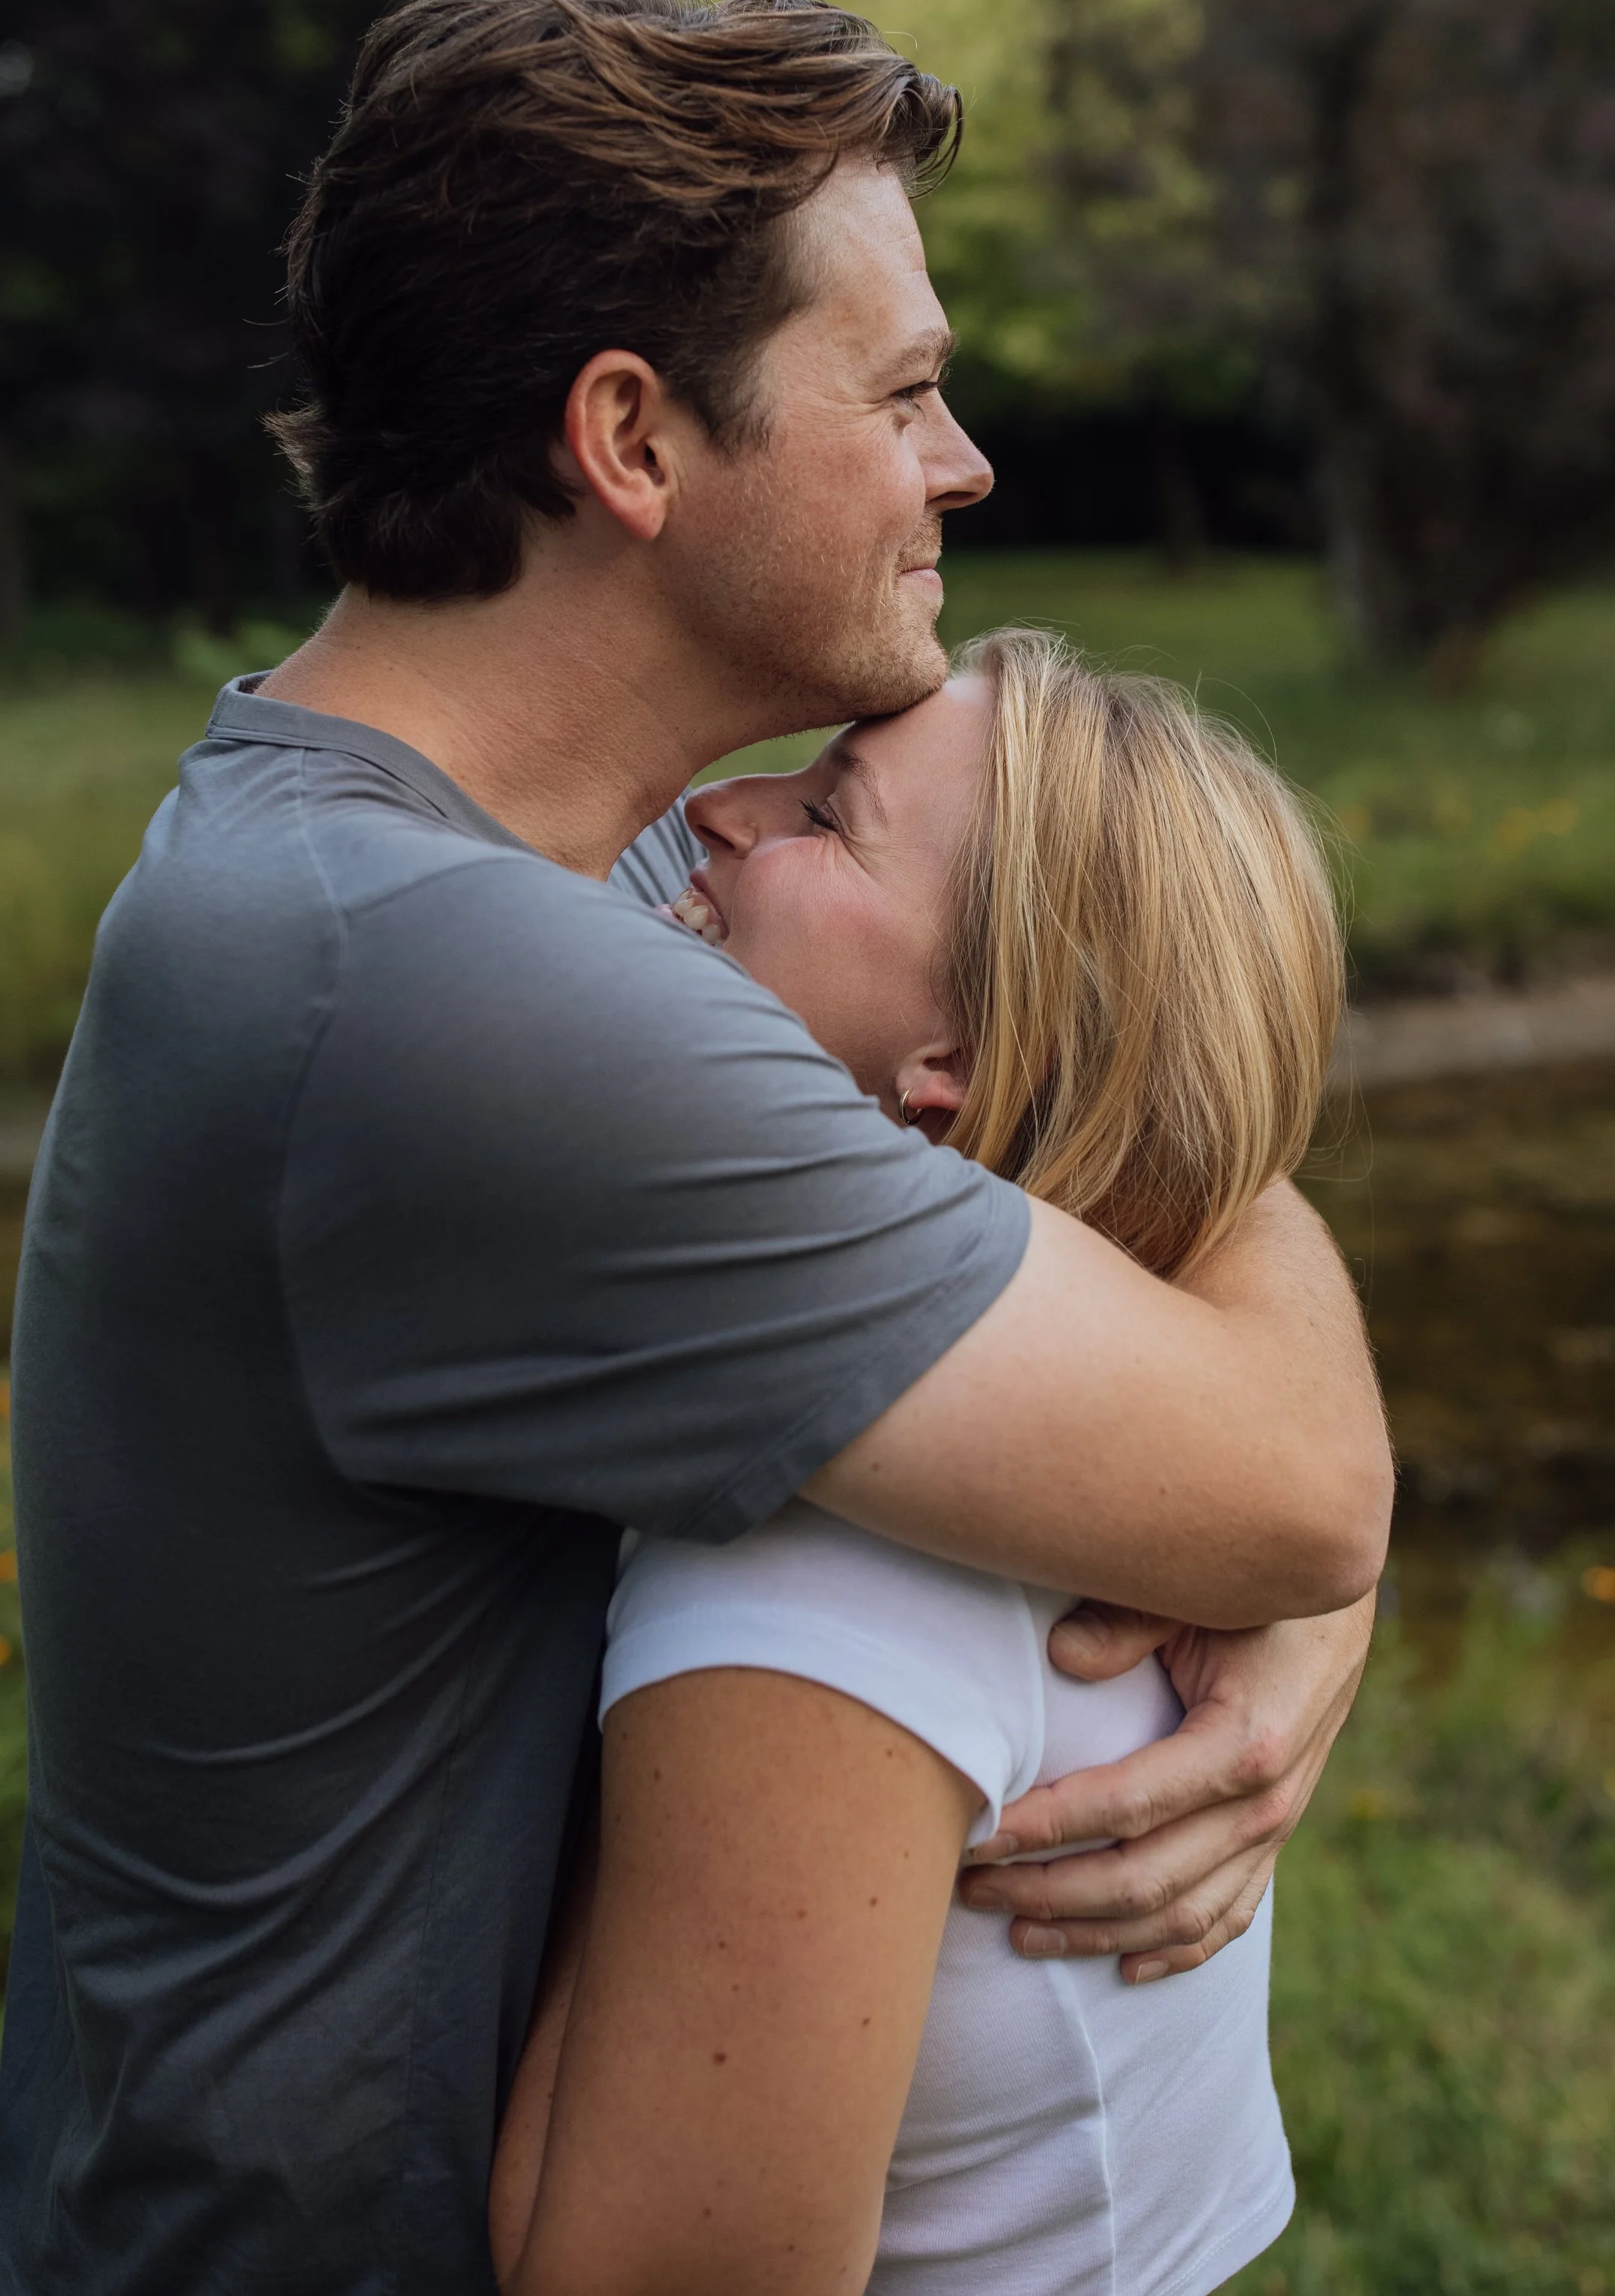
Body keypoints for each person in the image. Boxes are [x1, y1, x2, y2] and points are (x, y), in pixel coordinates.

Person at [0, 0, 1390, 2296]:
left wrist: (1293, 1593)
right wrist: (1296, 1589)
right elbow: (1287, 1476)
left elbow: (1139, 1128)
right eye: (904, 389)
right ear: (633, 440)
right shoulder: (451, 985)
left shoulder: (528, 870)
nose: (964, 461)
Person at [490, 627, 1349, 2296]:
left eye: (826, 815)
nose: (715, 813)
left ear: (945, 1072)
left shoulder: (825, 1569)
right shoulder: (1113, 1414)